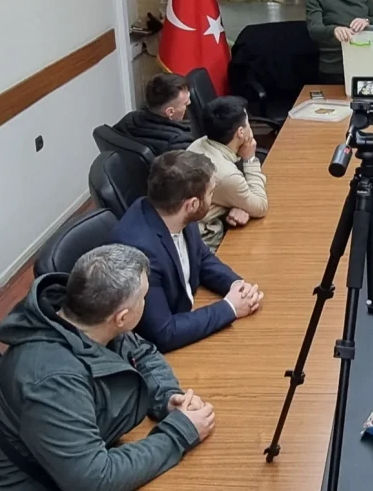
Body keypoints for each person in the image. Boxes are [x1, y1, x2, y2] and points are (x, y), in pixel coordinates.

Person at [0, 245, 215, 490]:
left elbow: (141, 353)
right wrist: (180, 433)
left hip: (72, 458)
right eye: (143, 297)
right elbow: (94, 480)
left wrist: (167, 396)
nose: (146, 302)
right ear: (122, 317)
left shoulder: (87, 315)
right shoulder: (51, 381)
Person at [109, 150, 263, 352]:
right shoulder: (141, 252)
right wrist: (230, 308)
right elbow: (163, 333)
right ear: (192, 204)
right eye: (210, 193)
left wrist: (237, 286)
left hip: (189, 312)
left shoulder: (173, 213)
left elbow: (202, 258)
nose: (212, 198)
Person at [186, 96, 268, 244]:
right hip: (209, 244)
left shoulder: (199, 143)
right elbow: (260, 206)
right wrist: (250, 159)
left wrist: (234, 205)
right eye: (248, 123)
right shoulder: (226, 175)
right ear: (241, 132)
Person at [112, 73, 195, 156]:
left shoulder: (129, 119)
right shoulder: (178, 142)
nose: (189, 103)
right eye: (185, 103)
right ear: (170, 112)